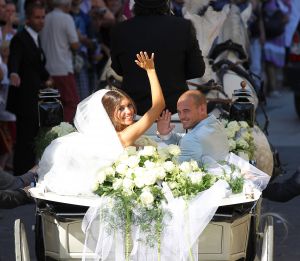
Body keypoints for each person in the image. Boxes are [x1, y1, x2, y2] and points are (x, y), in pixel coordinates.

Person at [38, 51, 165, 195]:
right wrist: (151, 71)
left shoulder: (106, 134)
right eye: (121, 109)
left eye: (129, 105)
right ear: (108, 114)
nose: (128, 111)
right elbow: (158, 106)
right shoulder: (123, 136)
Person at [110, 0, 205, 115]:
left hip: (133, 112)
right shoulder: (184, 27)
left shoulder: (120, 30)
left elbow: (118, 69)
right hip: (175, 111)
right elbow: (197, 70)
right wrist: (174, 74)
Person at [6, 2, 51, 176]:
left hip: (33, 97)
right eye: (37, 17)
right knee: (25, 140)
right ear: (28, 18)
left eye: (43, 17)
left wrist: (47, 78)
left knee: (31, 138)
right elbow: (15, 59)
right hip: (24, 99)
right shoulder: (20, 38)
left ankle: (26, 177)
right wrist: (14, 73)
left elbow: (36, 64)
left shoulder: (35, 38)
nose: (41, 21)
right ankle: (21, 178)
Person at [156, 90, 229, 164]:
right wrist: (165, 134)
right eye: (179, 112)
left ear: (202, 109)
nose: (182, 117)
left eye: (186, 111)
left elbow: (177, 171)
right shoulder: (215, 123)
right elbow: (187, 139)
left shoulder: (192, 138)